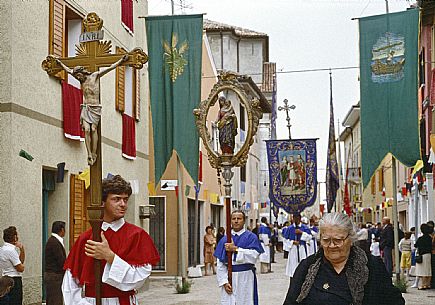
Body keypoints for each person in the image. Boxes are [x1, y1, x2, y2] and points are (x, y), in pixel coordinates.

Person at [62, 175, 160, 305]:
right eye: (116, 199)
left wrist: (110, 257)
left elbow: (139, 278)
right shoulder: (86, 238)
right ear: (103, 202)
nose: (123, 204)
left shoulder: (137, 235)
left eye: (125, 199)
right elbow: (70, 283)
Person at [283, 212, 405, 305]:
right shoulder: (307, 268)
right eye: (326, 240)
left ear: (350, 239)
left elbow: (394, 301)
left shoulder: (371, 266)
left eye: (338, 240)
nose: (331, 246)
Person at [55, 55, 129, 165]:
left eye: (78, 75)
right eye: (77, 76)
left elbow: (110, 68)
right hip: (86, 107)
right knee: (86, 129)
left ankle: (94, 153)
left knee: (93, 129)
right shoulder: (81, 81)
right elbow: (68, 71)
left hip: (95, 108)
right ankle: (89, 154)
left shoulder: (95, 76)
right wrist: (60, 64)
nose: (78, 78)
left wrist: (121, 61)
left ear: (82, 72)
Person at [214, 210, 264, 305]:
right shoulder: (225, 239)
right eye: (234, 219)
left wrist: (236, 249)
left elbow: (254, 256)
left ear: (244, 220)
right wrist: (224, 282)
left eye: (239, 218)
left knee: (246, 301)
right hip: (229, 277)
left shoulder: (251, 237)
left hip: (246, 277)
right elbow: (220, 264)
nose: (236, 221)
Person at [0, 226, 25, 305]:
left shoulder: (3, 249)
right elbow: (20, 268)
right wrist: (22, 266)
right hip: (14, 280)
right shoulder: (11, 250)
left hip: (5, 278)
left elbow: (20, 261)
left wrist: (22, 249)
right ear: (14, 237)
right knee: (16, 301)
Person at [44, 221, 66, 305]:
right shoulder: (54, 242)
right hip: (54, 276)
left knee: (53, 299)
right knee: (55, 300)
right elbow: (61, 260)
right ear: (62, 230)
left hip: (53, 276)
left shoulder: (53, 241)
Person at [414, 223, 432, 290]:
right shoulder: (430, 238)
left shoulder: (421, 238)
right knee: (428, 270)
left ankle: (423, 285)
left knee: (423, 271)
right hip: (429, 255)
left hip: (423, 255)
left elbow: (416, 245)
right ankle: (428, 284)